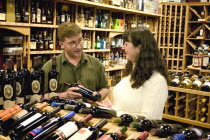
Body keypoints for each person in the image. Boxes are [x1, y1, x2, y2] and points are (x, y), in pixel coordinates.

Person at [97, 27, 170, 120]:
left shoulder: (157, 81)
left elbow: (149, 118)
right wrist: (111, 108)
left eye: (126, 44)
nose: (123, 47)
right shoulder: (131, 73)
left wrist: (115, 112)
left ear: (139, 48)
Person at [42, 22, 109, 101]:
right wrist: (64, 95)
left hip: (89, 112)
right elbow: (42, 96)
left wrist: (97, 97)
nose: (78, 47)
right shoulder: (49, 67)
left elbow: (105, 88)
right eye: (72, 43)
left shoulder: (95, 63)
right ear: (61, 44)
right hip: (61, 112)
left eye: (80, 41)